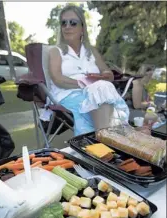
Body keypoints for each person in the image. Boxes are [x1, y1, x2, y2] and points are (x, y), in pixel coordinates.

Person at [48, 5, 129, 136]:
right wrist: (84, 83)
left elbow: (108, 74)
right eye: (63, 23)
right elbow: (58, 79)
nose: (67, 26)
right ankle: (108, 139)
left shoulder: (92, 51)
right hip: (67, 93)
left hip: (98, 90)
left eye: (72, 23)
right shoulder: (55, 51)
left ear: (82, 28)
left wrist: (101, 77)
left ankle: (104, 140)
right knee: (101, 96)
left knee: (102, 88)